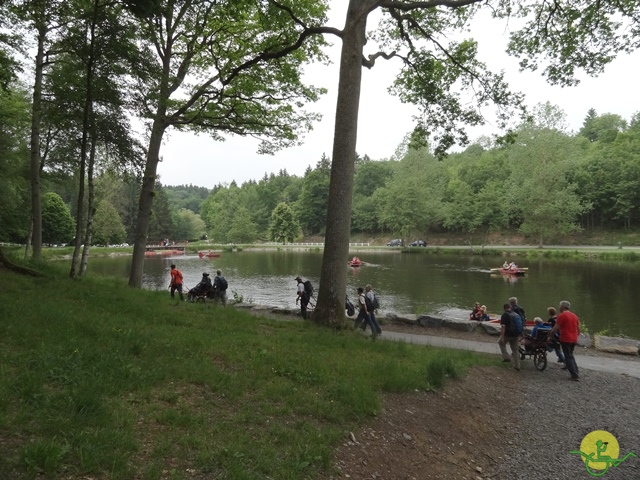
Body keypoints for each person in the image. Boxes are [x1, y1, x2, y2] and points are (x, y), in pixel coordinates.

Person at [548, 300, 580, 381]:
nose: (559, 308)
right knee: (571, 355)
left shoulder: (562, 316)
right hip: (574, 339)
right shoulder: (574, 316)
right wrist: (576, 336)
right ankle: (576, 371)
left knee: (568, 356)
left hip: (566, 338)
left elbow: (555, 328)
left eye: (559, 306)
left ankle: (574, 375)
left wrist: (550, 336)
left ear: (562, 307)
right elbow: (578, 329)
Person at [499, 303, 521, 371]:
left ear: (504, 308)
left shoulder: (505, 315)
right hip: (516, 334)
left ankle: (506, 357)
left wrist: (502, 337)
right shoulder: (515, 314)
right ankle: (517, 365)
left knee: (501, 343)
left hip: (508, 334)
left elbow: (503, 327)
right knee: (515, 349)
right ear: (510, 307)